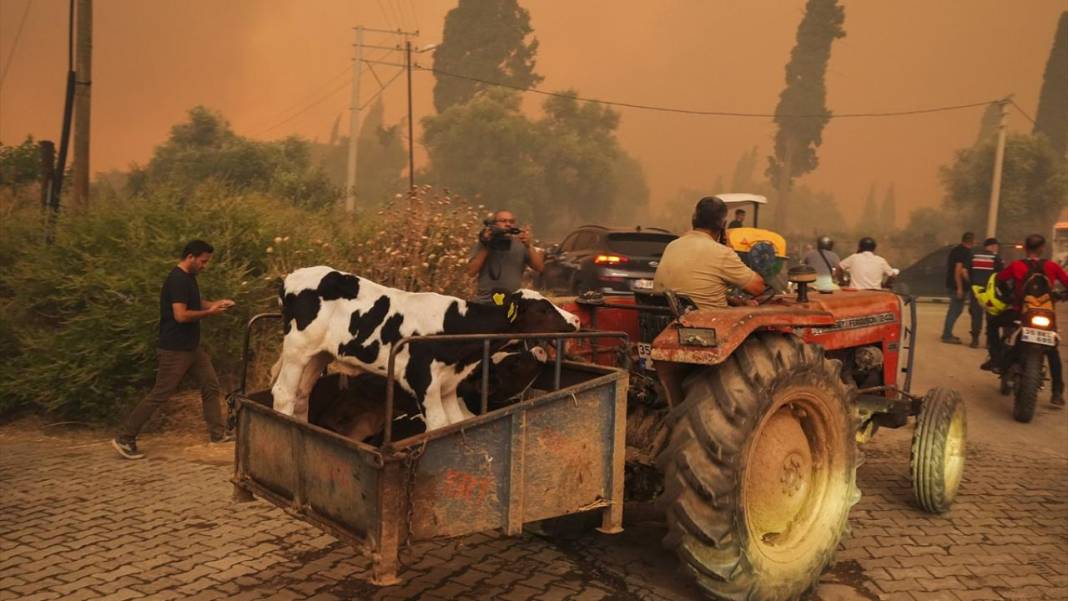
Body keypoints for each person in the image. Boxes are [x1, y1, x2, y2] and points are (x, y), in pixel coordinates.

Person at [113, 240, 235, 460]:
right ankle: (125, 436)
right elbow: (180, 315)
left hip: (192, 347)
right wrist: (211, 313)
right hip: (175, 349)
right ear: (190, 257)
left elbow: (196, 302)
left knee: (210, 386)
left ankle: (218, 435)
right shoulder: (177, 279)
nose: (205, 265)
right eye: (203, 261)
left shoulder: (189, 279)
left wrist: (217, 303)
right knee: (160, 394)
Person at [991, 234, 1067, 406]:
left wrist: (1009, 297)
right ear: (1042, 248)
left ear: (1025, 248)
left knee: (993, 323)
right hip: (1047, 316)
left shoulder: (1017, 265)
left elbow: (999, 279)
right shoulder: (1052, 266)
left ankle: (995, 360)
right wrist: (1062, 296)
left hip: (1020, 313)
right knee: (1053, 352)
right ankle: (1057, 393)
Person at [653, 196, 766, 309]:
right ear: (723, 224)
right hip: (706, 323)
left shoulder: (672, 246)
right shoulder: (722, 253)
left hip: (668, 320)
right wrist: (728, 247)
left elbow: (692, 292)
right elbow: (758, 287)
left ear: (694, 219)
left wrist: (734, 301)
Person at [466, 210, 544, 302]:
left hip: (511, 302)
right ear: (493, 224)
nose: (508, 224)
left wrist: (529, 246)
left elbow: (539, 268)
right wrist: (487, 245)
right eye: (503, 221)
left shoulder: (520, 243)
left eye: (511, 222)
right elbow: (470, 272)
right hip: (485, 301)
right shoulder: (484, 243)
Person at [968, 237, 1003, 349]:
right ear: (992, 246)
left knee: (976, 315)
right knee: (990, 316)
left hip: (976, 291)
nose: (997, 248)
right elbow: (1001, 275)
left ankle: (975, 340)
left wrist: (971, 283)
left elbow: (967, 271)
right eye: (996, 246)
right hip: (990, 292)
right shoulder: (995, 258)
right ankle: (989, 341)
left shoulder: (973, 256)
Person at [940, 232, 975, 344]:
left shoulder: (955, 250)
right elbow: (958, 270)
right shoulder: (965, 252)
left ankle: (947, 333)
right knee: (955, 310)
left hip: (952, 284)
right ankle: (947, 335)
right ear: (972, 241)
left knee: (954, 310)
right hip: (957, 286)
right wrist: (960, 287)